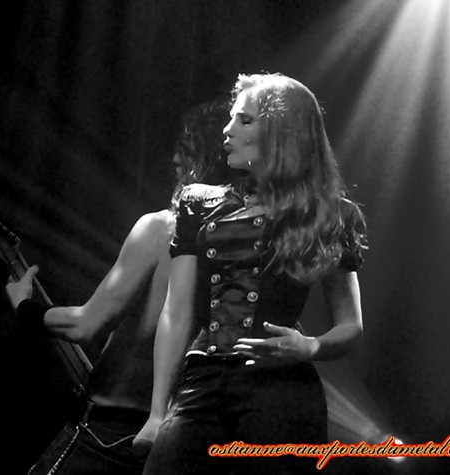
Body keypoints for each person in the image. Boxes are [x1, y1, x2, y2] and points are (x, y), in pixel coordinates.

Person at [135, 73, 367, 475]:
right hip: (201, 383)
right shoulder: (198, 203)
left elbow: (351, 325)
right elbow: (176, 312)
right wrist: (157, 413)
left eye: (244, 120)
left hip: (281, 390)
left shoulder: (332, 214)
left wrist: (311, 346)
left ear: (282, 132)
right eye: (231, 118)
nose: (227, 131)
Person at [6, 99, 245, 475]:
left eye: (185, 150)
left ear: (208, 159)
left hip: (110, 434)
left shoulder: (161, 228)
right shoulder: (243, 244)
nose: (174, 160)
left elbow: (86, 324)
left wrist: (25, 307)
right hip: (187, 440)